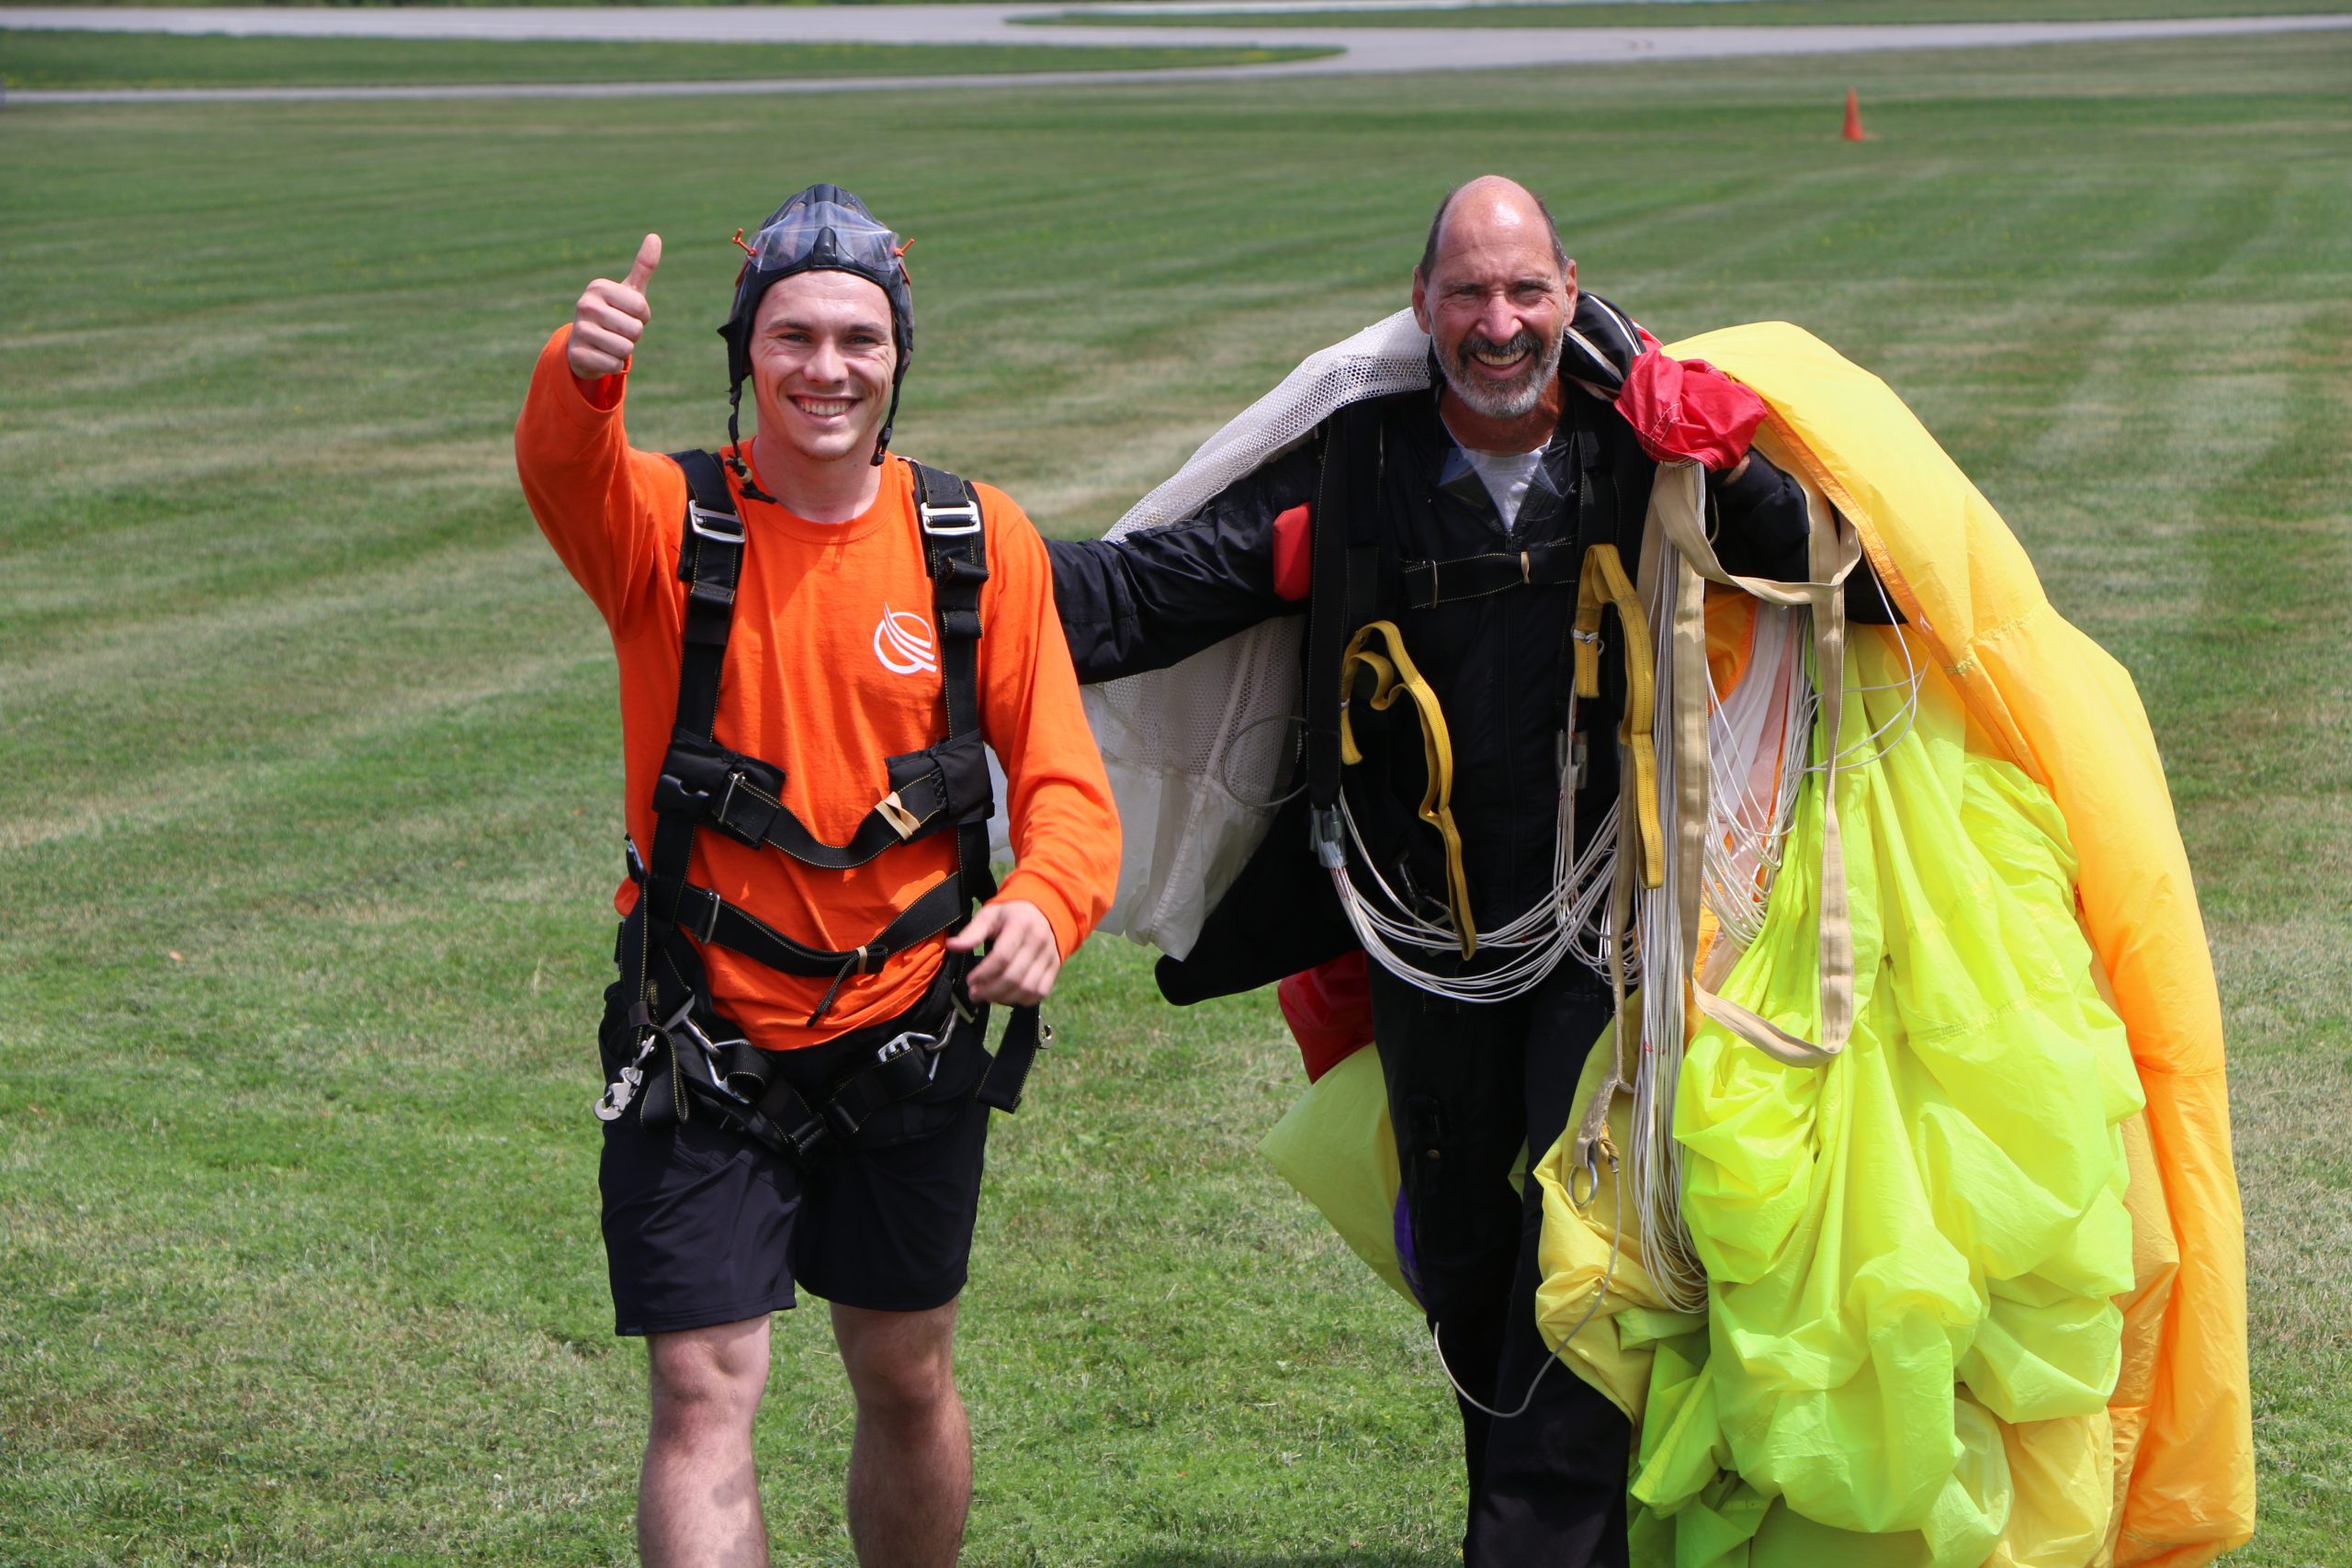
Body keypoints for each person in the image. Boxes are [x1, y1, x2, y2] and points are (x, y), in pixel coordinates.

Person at [1046, 176, 1858, 1566]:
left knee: (1575, 1255)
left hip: (1609, 939)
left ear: (1571, 290)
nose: (1500, 324)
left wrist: (1734, 470)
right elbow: (1148, 595)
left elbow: (1854, 587)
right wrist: (919, 566)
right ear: (1420, 305)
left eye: (1527, 291)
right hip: (1421, 941)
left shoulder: (1640, 445)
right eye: (1470, 294)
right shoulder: (1354, 474)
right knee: (1471, 1263)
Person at [515, 184, 1117, 1568]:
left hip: (910, 1029)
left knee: (904, 1373)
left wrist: (1043, 901)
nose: (826, 368)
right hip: (700, 1031)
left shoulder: (976, 543)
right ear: (745, 355)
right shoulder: (666, 526)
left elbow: (1071, 788)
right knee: (700, 1388)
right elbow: (565, 471)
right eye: (792, 337)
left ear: (898, 357)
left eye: (859, 337)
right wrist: (581, 370)